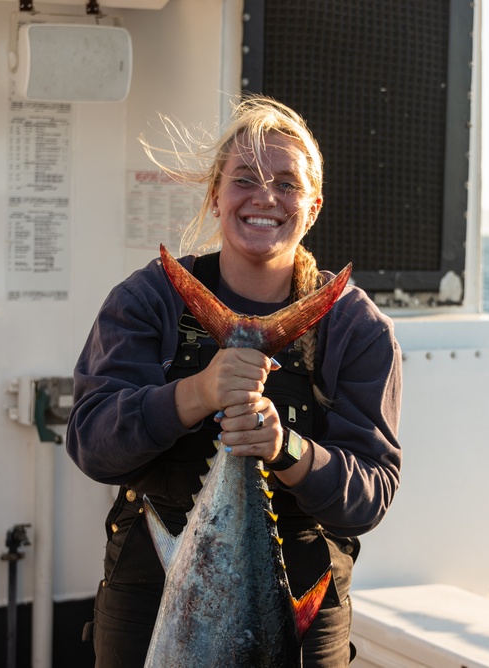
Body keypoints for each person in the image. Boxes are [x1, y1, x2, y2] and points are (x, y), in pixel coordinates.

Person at [67, 96, 402, 667]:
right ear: (215, 196)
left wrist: (284, 447)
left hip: (298, 602)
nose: (264, 196)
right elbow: (93, 445)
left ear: (313, 206)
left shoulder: (353, 324)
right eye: (244, 178)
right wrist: (197, 394)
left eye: (287, 184)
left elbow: (369, 494)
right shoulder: (150, 299)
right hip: (151, 585)